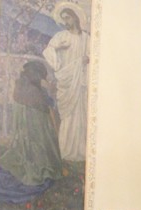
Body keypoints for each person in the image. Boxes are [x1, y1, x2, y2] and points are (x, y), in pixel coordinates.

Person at [0, 60, 63, 204]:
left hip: (26, 133)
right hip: (36, 131)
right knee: (40, 149)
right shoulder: (35, 91)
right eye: (40, 76)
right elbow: (47, 108)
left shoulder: (21, 86)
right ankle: (41, 166)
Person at [43, 3, 89, 162]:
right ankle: (66, 152)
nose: (66, 22)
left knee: (80, 116)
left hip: (80, 83)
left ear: (75, 17)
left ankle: (81, 152)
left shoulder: (86, 38)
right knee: (68, 118)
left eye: (68, 18)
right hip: (67, 82)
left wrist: (87, 60)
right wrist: (56, 48)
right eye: (63, 19)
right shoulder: (61, 36)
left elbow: (94, 57)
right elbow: (48, 52)